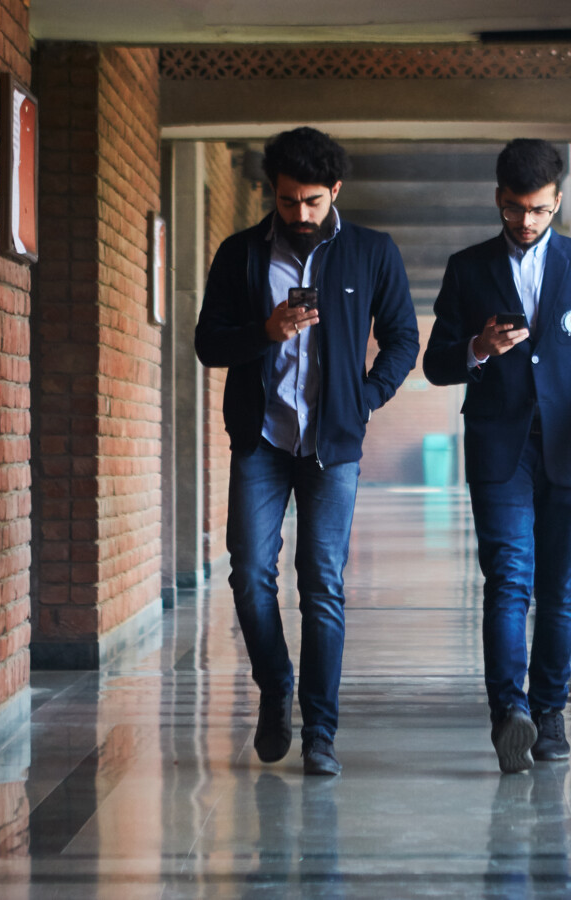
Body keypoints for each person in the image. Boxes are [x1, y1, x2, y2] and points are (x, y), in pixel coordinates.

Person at [196, 127, 419, 776]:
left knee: (322, 584)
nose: (300, 213)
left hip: (333, 445)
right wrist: (265, 332)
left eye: (313, 201)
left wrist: (365, 398)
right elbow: (209, 343)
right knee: (248, 575)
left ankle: (320, 732)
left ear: (335, 191)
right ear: (272, 190)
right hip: (262, 440)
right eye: (288, 200)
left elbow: (403, 338)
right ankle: (276, 687)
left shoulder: (371, 252)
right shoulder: (240, 254)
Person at [423, 139, 571, 774]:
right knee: (508, 578)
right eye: (516, 209)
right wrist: (478, 348)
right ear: (499, 198)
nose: (527, 221)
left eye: (540, 210)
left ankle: (549, 712)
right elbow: (437, 362)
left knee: (559, 587)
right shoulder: (468, 268)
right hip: (501, 448)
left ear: (558, 202)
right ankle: (509, 713)